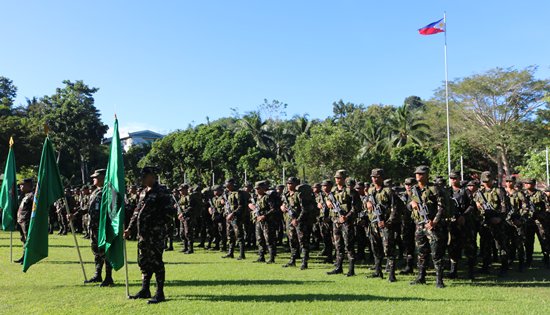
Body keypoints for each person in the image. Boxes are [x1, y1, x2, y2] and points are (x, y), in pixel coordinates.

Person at [124, 166, 175, 304]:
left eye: (145, 176)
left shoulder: (162, 192)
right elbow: (136, 212)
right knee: (144, 261)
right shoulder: (142, 193)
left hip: (155, 234)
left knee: (156, 261)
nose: (142, 179)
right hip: (143, 234)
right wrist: (129, 229)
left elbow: (170, 213)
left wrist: (158, 226)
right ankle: (145, 289)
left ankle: (160, 293)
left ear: (152, 176)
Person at [409, 166, 449, 288]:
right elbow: (408, 206)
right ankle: (421, 277)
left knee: (436, 252)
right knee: (421, 252)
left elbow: (442, 207)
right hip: (420, 225)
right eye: (417, 174)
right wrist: (412, 204)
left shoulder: (434, 189)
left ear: (426, 175)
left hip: (432, 226)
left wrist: (434, 222)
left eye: (421, 174)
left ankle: (439, 280)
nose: (418, 176)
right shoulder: (414, 189)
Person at [365, 168, 398, 282]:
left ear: (382, 178)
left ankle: (392, 274)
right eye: (373, 177)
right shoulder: (371, 191)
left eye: (376, 177)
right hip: (374, 223)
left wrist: (388, 222)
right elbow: (367, 205)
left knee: (388, 249)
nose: (374, 179)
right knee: (376, 248)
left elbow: (395, 209)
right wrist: (367, 204)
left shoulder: (388, 191)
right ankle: (377, 271)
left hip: (385, 224)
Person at [326, 170, 361, 277]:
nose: (337, 180)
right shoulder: (333, 191)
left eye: (339, 178)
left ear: (344, 179)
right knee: (338, 245)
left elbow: (357, 207)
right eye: (336, 178)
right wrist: (327, 202)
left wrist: (346, 217)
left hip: (347, 222)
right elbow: (328, 200)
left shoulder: (351, 191)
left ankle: (351, 269)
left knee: (348, 245)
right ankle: (338, 267)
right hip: (336, 222)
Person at [474, 171, 509, 276]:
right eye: (484, 181)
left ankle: (504, 267)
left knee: (501, 245)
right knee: (485, 245)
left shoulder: (499, 191)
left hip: (498, 222)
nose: (486, 183)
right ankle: (485, 267)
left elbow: (505, 207)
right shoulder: (479, 192)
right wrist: (478, 207)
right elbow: (476, 205)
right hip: (486, 222)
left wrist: (500, 218)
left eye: (487, 181)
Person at [83, 169, 114, 287]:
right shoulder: (95, 192)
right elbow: (88, 208)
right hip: (93, 227)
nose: (93, 179)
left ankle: (108, 277)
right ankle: (98, 274)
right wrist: (75, 214)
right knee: (96, 252)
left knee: (105, 252)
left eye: (95, 177)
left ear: (102, 178)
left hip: (103, 228)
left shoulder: (108, 192)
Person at [522, 178, 549, 268]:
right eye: (525, 183)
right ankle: (528, 260)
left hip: (539, 222)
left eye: (528, 183)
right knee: (528, 242)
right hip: (528, 221)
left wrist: (541, 215)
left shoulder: (540, 194)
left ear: (533, 184)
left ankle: (546, 259)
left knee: (543, 240)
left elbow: (547, 207)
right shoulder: (522, 194)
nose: (526, 184)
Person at [250, 180, 278, 263]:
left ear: (263, 188)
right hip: (258, 220)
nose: (257, 190)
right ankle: (261, 256)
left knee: (269, 239)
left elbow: (273, 209)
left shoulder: (267, 197)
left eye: (258, 188)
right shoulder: (256, 198)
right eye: (256, 189)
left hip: (267, 221)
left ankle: (271, 258)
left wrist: (264, 216)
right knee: (259, 239)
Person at [221, 178, 248, 260]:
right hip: (229, 217)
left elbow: (241, 206)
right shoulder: (227, 193)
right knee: (230, 235)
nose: (227, 187)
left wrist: (233, 213)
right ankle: (230, 253)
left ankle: (241, 254)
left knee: (239, 235)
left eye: (228, 185)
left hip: (236, 217)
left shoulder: (238, 193)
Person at [14, 178, 34, 264]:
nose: (20, 186)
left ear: (28, 185)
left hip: (27, 221)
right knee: (23, 239)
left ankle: (28, 258)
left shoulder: (32, 195)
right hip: (21, 221)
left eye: (23, 184)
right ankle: (24, 256)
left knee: (27, 240)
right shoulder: (25, 195)